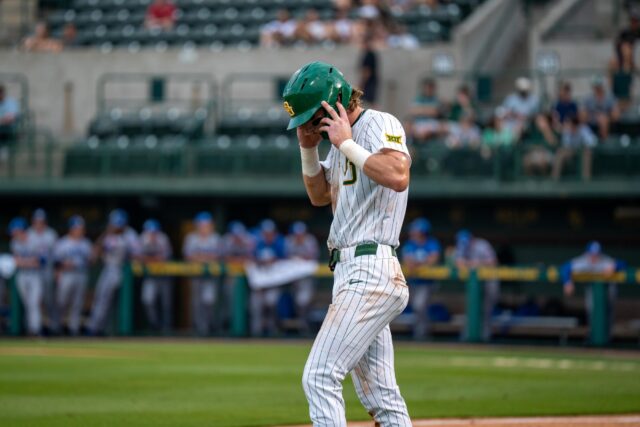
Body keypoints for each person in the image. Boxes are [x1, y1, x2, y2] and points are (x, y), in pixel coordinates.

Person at [283, 61, 412, 425]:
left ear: (334, 99)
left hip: (372, 268)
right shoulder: (341, 141)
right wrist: (308, 150)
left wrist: (346, 143)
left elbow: (398, 176)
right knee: (382, 397)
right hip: (351, 271)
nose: (309, 124)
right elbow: (320, 196)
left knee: (319, 375)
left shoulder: (378, 123)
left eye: (312, 116)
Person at [561, 241, 626, 342]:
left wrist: (615, 267)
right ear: (587, 253)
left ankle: (608, 338)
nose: (594, 257)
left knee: (609, 313)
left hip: (608, 290)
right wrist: (567, 282)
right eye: (592, 254)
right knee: (591, 311)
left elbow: (623, 264)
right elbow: (565, 267)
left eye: (597, 254)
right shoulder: (583, 260)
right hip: (592, 290)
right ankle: (592, 336)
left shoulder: (605, 260)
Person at [88, 209, 138, 335]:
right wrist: (105, 234)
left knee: (120, 302)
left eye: (119, 224)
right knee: (101, 298)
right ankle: (95, 328)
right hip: (108, 268)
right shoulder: (107, 235)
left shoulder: (130, 234)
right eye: (115, 224)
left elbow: (137, 254)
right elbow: (95, 253)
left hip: (123, 270)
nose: (117, 227)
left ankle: (119, 330)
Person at [454, 229, 499, 341]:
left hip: (489, 280)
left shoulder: (482, 245)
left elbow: (493, 262)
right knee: (471, 308)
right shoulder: (462, 246)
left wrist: (476, 264)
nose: (465, 245)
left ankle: (485, 335)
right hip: (474, 283)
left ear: (472, 239)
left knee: (487, 308)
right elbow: (458, 263)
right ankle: (468, 334)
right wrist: (469, 264)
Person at [401, 218, 441, 340]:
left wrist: (418, 264)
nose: (413, 232)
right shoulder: (410, 244)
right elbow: (408, 261)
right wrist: (421, 263)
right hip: (412, 282)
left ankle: (421, 333)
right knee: (416, 307)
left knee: (420, 306)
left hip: (426, 283)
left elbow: (433, 259)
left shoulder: (431, 243)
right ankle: (421, 330)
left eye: (416, 230)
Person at [53, 216, 92, 336]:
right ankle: (56, 327)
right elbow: (56, 262)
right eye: (76, 228)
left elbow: (90, 261)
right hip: (66, 275)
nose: (79, 230)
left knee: (77, 303)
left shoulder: (86, 243)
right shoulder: (63, 243)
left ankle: (73, 329)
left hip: (81, 274)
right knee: (61, 302)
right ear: (71, 229)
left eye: (81, 228)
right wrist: (62, 268)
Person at [183, 212, 221, 336]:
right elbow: (188, 256)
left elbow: (218, 256)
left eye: (207, 225)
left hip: (211, 276)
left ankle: (210, 327)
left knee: (210, 301)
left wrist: (200, 257)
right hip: (196, 275)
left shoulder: (216, 238)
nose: (204, 227)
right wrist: (205, 258)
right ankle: (198, 328)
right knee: (196, 302)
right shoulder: (191, 238)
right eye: (202, 225)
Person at [250, 219, 286, 337]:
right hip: (259, 282)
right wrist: (261, 262)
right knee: (256, 304)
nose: (268, 235)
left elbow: (286, 261)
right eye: (266, 233)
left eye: (270, 233)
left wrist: (274, 261)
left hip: (274, 282)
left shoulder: (280, 243)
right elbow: (250, 260)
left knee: (272, 303)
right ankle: (256, 332)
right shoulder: (257, 243)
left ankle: (272, 331)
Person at [138, 219, 173, 334]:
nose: (152, 234)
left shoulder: (163, 239)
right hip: (150, 276)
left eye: (154, 232)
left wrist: (149, 260)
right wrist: (152, 259)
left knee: (166, 303)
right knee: (147, 300)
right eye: (150, 232)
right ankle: (154, 324)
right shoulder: (142, 239)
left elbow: (163, 258)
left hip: (164, 275)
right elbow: (138, 257)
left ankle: (166, 327)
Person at [284, 221, 320, 335]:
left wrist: (298, 258)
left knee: (305, 302)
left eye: (301, 233)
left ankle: (307, 327)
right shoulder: (290, 240)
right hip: (294, 278)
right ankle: (301, 327)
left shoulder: (310, 240)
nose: (299, 236)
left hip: (307, 277)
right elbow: (286, 256)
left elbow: (312, 256)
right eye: (297, 234)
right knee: (297, 303)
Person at [9, 217, 43, 336]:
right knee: (27, 303)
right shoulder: (14, 243)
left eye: (15, 230)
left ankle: (36, 329)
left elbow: (40, 261)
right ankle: (31, 329)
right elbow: (15, 261)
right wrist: (28, 262)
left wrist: (23, 262)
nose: (13, 233)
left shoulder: (34, 240)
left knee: (34, 302)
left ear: (21, 230)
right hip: (22, 275)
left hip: (35, 276)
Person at [27, 209, 58, 333]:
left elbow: (56, 255)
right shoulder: (28, 234)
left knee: (49, 300)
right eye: (37, 220)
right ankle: (33, 327)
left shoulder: (51, 234)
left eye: (41, 221)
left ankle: (54, 327)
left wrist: (57, 270)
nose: (39, 223)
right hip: (33, 272)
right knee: (33, 301)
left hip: (47, 271)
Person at [221, 221, 255, 329]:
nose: (237, 238)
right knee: (228, 304)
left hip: (249, 279)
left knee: (249, 305)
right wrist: (238, 261)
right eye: (235, 235)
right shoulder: (226, 241)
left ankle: (249, 329)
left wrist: (239, 260)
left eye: (239, 235)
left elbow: (253, 257)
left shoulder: (248, 240)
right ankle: (226, 327)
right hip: (230, 278)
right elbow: (223, 258)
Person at [551, 116, 597, 181]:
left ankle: (586, 181)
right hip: (571, 152)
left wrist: (584, 146)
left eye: (569, 124)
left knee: (587, 153)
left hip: (583, 152)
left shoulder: (583, 129)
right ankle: (555, 180)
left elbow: (593, 142)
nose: (567, 126)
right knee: (560, 153)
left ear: (574, 125)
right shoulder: (567, 130)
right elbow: (566, 145)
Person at [580, 76, 621, 140]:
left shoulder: (610, 98)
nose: (597, 88)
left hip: (607, 120)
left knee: (603, 119)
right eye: (595, 86)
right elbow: (582, 116)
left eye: (599, 86)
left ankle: (604, 141)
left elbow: (616, 115)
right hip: (591, 120)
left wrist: (606, 117)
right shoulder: (588, 99)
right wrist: (593, 116)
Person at [359, 37, 379, 107]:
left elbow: (367, 71)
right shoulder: (372, 54)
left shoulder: (369, 55)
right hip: (372, 81)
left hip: (369, 82)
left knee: (364, 101)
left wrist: (362, 83)